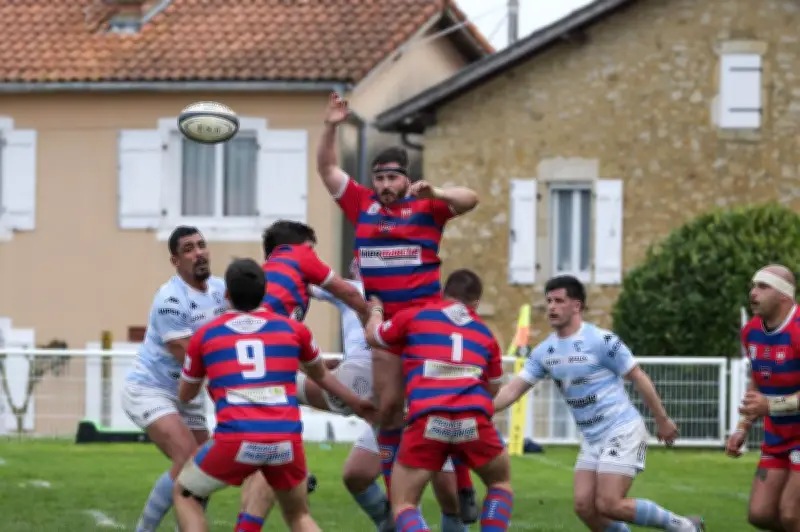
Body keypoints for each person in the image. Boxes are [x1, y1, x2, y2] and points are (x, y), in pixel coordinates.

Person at [317, 91, 481, 524]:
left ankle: (464, 482)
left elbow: (471, 199)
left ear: (406, 179)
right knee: (389, 408)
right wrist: (332, 125)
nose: (385, 186)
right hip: (388, 327)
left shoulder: (427, 205)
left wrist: (440, 189)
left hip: (428, 325)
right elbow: (327, 169)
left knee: (442, 405)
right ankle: (396, 500)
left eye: (393, 178)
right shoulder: (362, 205)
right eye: (379, 179)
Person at [174, 258, 376, 532]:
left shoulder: (206, 335)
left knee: (185, 493)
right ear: (264, 291)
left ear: (227, 295)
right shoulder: (294, 330)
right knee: (299, 516)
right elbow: (322, 376)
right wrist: (354, 401)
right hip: (286, 441)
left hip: (235, 438)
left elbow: (186, 395)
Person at [493, 275, 705, 532]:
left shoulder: (601, 341)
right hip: (592, 439)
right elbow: (513, 389)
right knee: (584, 506)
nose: (551, 307)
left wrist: (662, 419)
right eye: (548, 301)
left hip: (622, 430)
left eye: (559, 301)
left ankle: (684, 527)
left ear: (576, 306)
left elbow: (638, 376)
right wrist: (479, 409)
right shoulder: (544, 352)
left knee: (609, 503)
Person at [236, 219, 371, 531]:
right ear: (300, 248)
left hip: (245, 376)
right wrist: (372, 320)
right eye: (313, 251)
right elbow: (348, 293)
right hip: (266, 380)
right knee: (278, 468)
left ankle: (292, 475)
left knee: (270, 468)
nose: (316, 258)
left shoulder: (271, 281)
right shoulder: (297, 258)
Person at [312, 260, 465, 532]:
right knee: (357, 475)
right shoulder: (349, 290)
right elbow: (309, 284)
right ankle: (391, 525)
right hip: (377, 399)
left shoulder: (408, 297)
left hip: (415, 398)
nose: (361, 264)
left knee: (446, 490)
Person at [364, 269, 513, 532]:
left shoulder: (416, 315)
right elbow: (492, 388)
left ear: (445, 295)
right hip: (473, 420)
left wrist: (376, 310)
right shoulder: (485, 334)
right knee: (499, 483)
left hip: (428, 419)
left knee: (404, 504)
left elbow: (374, 336)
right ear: (475, 304)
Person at [121, 226, 227, 532]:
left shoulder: (221, 291)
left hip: (187, 394)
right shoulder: (170, 299)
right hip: (150, 390)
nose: (199, 253)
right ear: (175, 261)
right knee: (190, 460)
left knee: (205, 468)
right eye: (189, 249)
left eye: (202, 245)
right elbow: (190, 359)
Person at [730, 264, 800, 531]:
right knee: (760, 514)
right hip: (778, 437)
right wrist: (742, 427)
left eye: (763, 286)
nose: (753, 293)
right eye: (753, 285)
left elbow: (766, 402)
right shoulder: (751, 332)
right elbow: (758, 379)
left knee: (791, 513)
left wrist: (771, 406)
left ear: (784, 296)